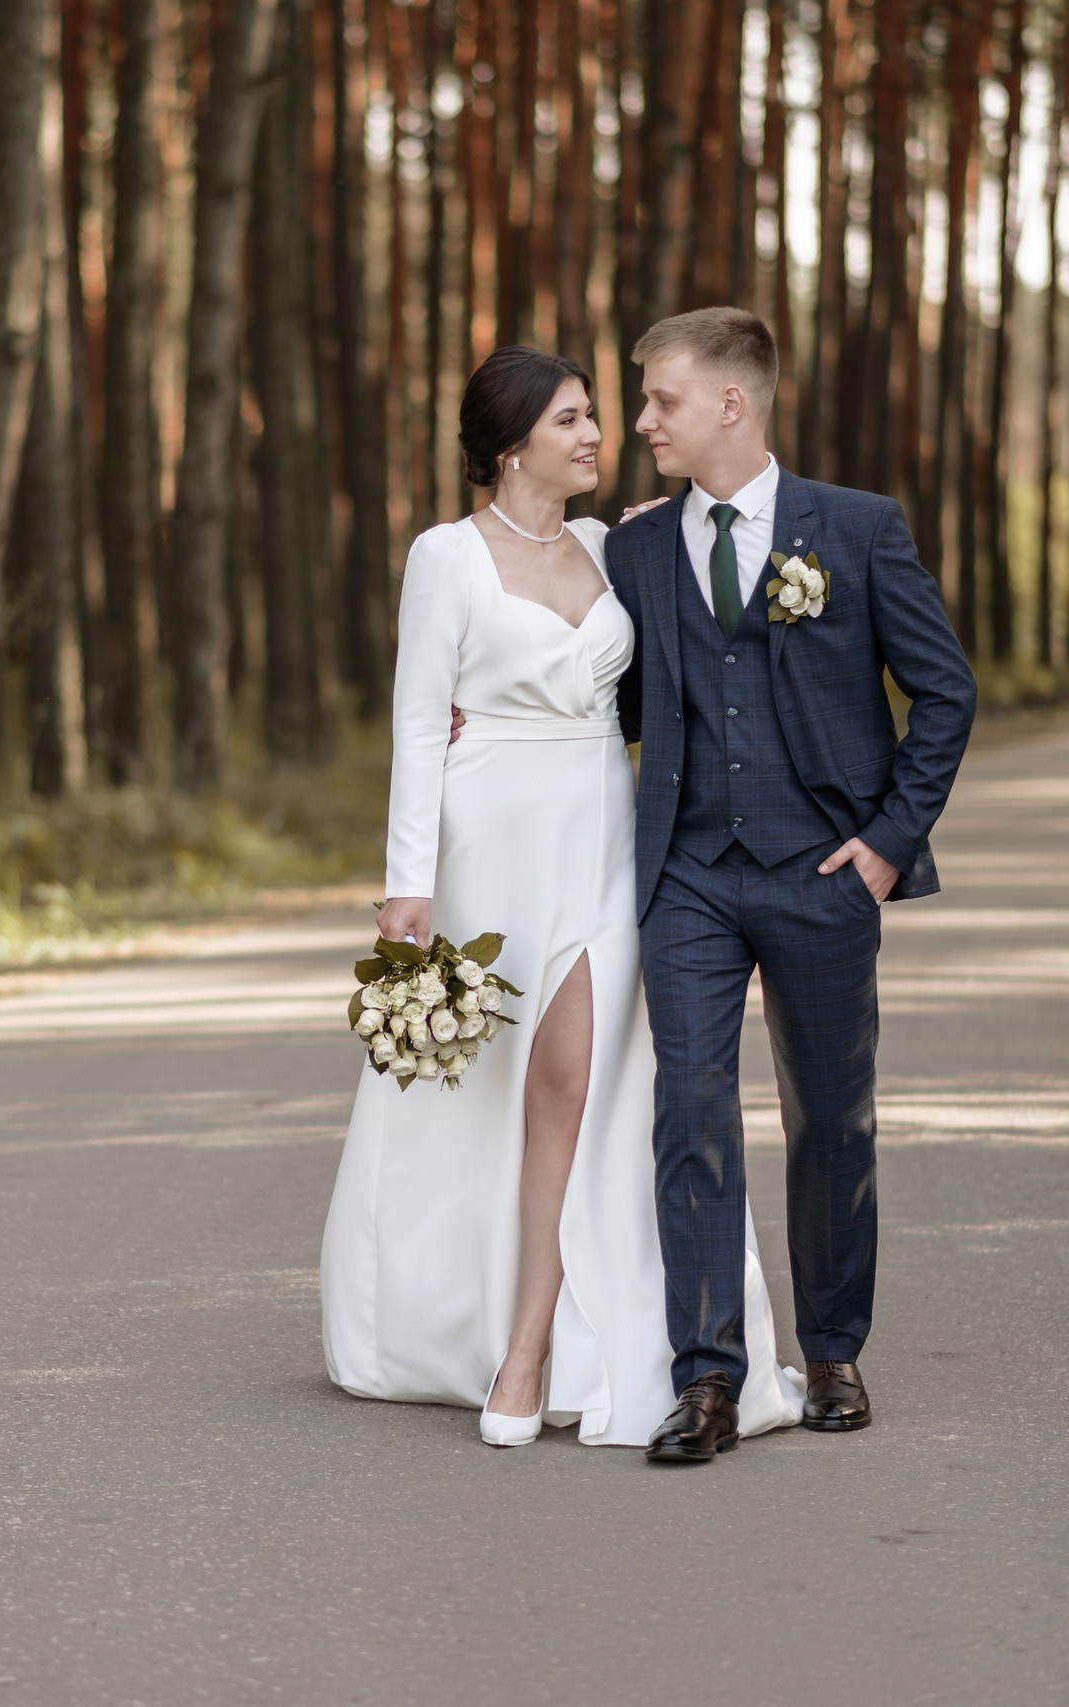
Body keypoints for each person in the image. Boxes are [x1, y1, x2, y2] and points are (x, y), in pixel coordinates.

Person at [320, 346, 809, 1449]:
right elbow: (417, 721)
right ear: (510, 446)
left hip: (605, 830)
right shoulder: (445, 556)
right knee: (483, 1087)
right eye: (571, 420)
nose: (597, 434)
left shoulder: (610, 546)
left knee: (574, 1077)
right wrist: (408, 886)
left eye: (595, 414)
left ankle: (531, 1342)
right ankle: (449, 1313)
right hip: (488, 837)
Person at [603, 306, 976, 1462]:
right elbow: (614, 704)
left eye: (660, 399)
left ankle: (830, 1351)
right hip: (688, 876)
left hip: (823, 873)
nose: (642, 420)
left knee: (831, 1118)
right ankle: (708, 1379)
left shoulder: (855, 528)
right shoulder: (636, 548)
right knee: (690, 1115)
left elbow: (944, 692)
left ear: (732, 403)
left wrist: (885, 844)